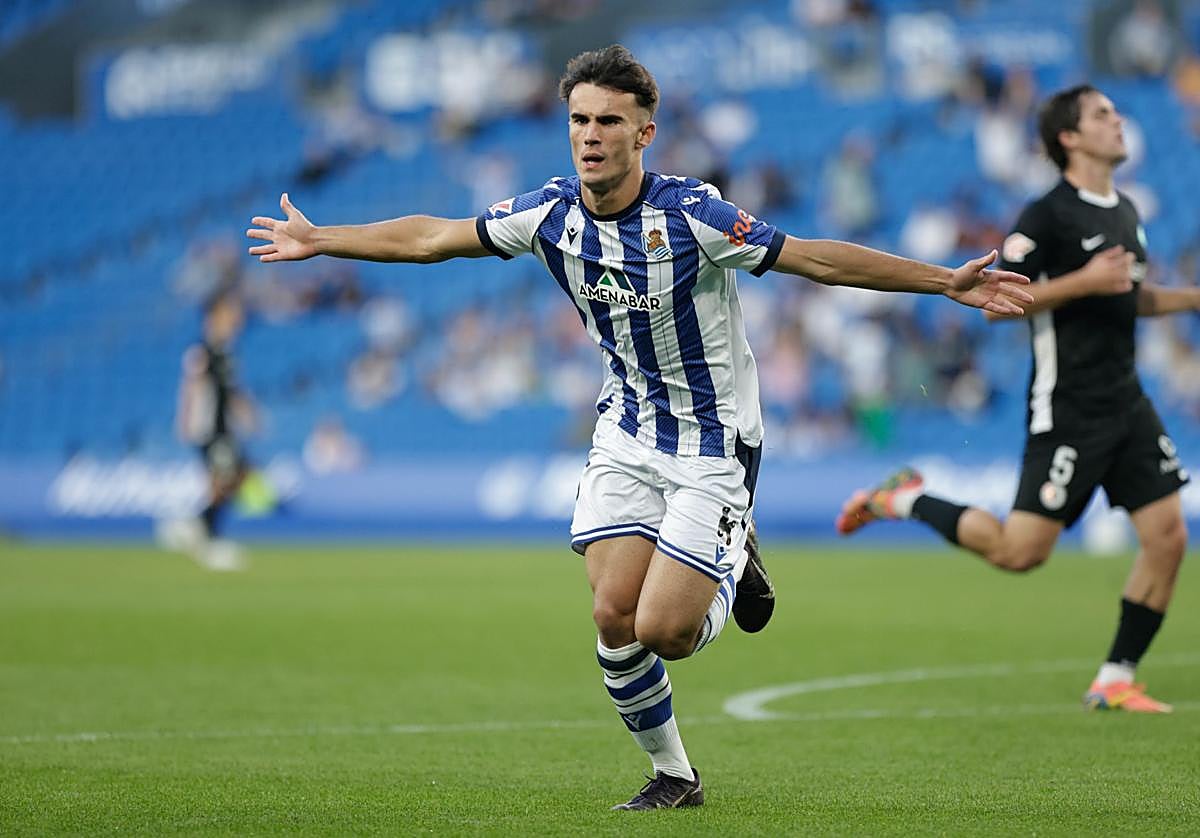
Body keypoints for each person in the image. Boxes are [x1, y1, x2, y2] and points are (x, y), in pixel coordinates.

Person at [246, 45, 1032, 809]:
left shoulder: (695, 217)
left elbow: (815, 260)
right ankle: (675, 775)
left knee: (667, 631)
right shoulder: (548, 213)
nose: (590, 135)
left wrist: (943, 283)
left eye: (608, 122)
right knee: (611, 614)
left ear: (643, 134)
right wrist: (322, 240)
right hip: (625, 431)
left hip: (712, 441)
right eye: (579, 120)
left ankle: (734, 560)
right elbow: (431, 238)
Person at [837, 85, 1195, 714]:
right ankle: (905, 496)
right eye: (1103, 115)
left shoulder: (1127, 210)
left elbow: (1128, 296)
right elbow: (1003, 306)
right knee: (1019, 552)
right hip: (1069, 406)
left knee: (1167, 535)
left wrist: (1190, 298)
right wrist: (1083, 280)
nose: (1118, 123)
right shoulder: (1046, 216)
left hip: (1127, 400)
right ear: (1070, 138)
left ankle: (1116, 677)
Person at [163, 292, 255, 571]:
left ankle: (196, 526)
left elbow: (231, 390)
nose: (236, 320)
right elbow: (191, 388)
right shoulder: (203, 352)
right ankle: (207, 536)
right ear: (214, 316)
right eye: (230, 313)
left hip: (223, 427)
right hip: (209, 429)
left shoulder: (226, 351)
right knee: (223, 480)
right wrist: (185, 421)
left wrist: (246, 412)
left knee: (236, 476)